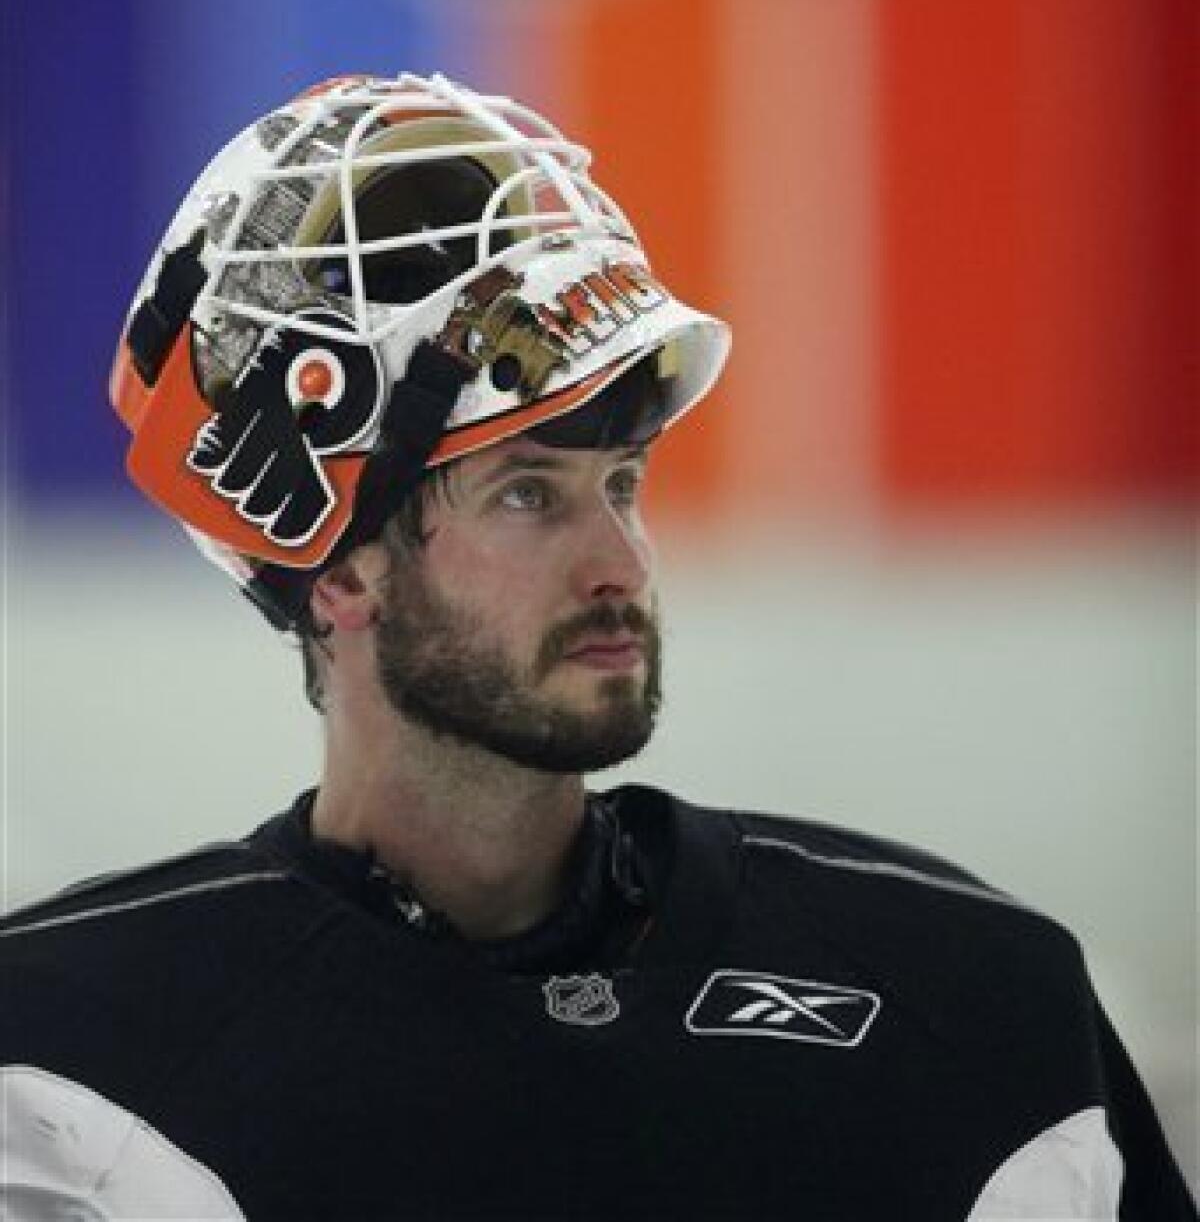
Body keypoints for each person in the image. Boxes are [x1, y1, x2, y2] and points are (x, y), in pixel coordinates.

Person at [1, 71, 1193, 1222]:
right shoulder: (60, 1067)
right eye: (529, 493)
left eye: (622, 481)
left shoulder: (976, 991)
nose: (620, 557)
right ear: (344, 567)